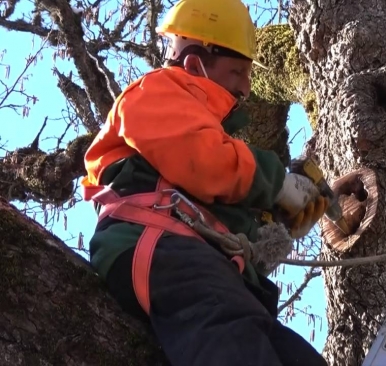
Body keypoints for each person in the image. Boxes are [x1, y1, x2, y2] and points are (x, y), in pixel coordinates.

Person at [80, 0, 330, 365]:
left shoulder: (205, 130)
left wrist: (264, 232)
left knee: (293, 356)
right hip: (157, 242)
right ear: (196, 62)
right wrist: (277, 184)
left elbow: (206, 191)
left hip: (192, 255)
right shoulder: (155, 92)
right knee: (233, 339)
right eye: (237, 71)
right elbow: (204, 160)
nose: (246, 87)